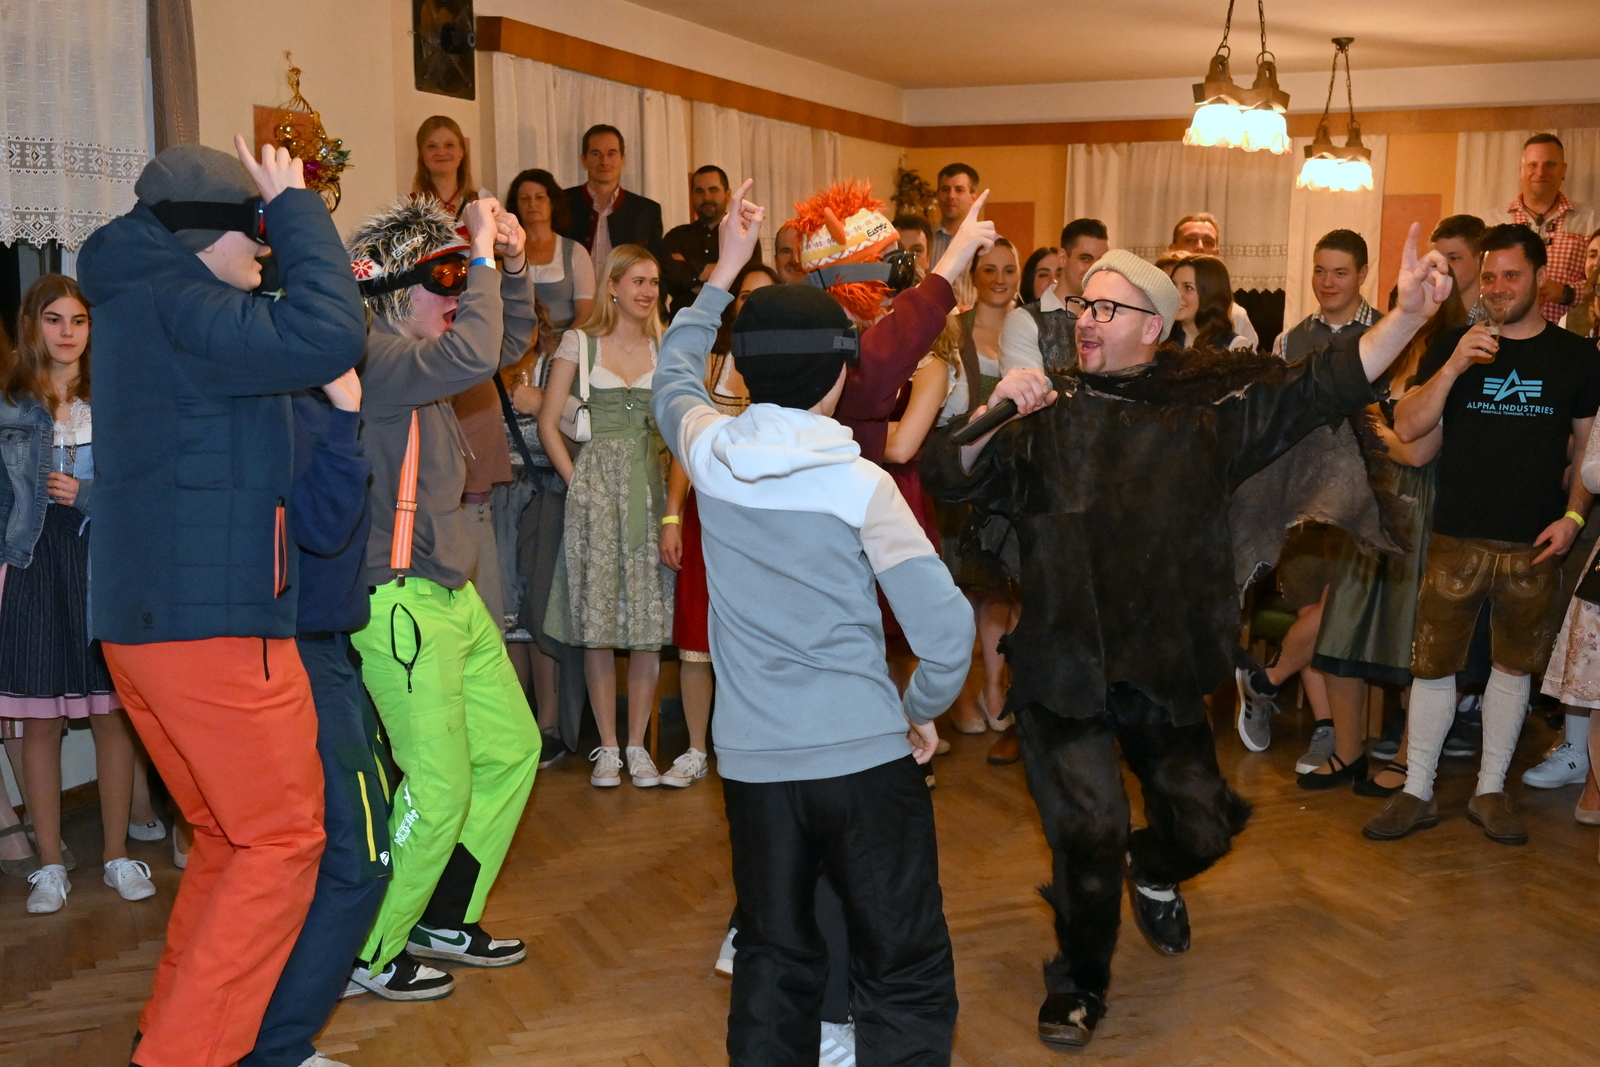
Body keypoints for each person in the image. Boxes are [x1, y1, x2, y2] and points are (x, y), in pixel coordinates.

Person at [923, 230, 1451, 1047]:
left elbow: (1321, 385)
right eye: (1083, 304)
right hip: (1063, 671)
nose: (1085, 319)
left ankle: (1154, 868)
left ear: (1153, 327)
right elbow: (947, 474)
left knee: (1205, 827)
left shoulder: (1208, 420)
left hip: (1161, 668)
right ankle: (1080, 982)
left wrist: (1408, 316)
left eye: (1107, 308)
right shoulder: (1049, 414)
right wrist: (998, 415)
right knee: (1089, 831)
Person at [654, 178, 975, 1067]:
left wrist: (723, 270)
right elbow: (947, 635)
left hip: (754, 767)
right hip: (866, 759)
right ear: (841, 376)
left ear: (744, 372)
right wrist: (919, 709)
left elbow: (672, 378)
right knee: (901, 961)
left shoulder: (710, 455)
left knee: (774, 953)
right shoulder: (860, 484)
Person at [77, 138, 366, 1067]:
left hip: (155, 625)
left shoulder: (144, 301)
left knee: (229, 841)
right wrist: (299, 206)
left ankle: (175, 1040)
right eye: (256, 227)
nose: (267, 247)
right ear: (205, 235)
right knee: (281, 841)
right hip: (214, 627)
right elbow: (331, 332)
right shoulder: (186, 305)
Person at [345, 195, 541, 995]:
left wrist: (511, 266)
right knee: (437, 785)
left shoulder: (423, 352)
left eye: (462, 277)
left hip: (450, 594)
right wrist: (485, 254)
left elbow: (505, 341)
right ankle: (368, 947)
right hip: (398, 604)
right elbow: (477, 350)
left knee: (512, 750)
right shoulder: (378, 357)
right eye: (444, 280)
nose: (458, 293)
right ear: (395, 291)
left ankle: (441, 913)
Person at [1374, 223, 1600, 846]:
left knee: (1513, 667)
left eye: (1512, 276)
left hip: (1535, 542)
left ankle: (1490, 790)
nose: (1498, 287)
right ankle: (1417, 791)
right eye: (1491, 276)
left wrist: (1574, 518)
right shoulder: (1456, 344)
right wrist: (1453, 365)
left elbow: (1588, 452)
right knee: (1432, 665)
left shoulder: (1576, 357)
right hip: (1455, 534)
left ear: (1540, 278)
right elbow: (1409, 427)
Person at [243, 368, 394, 1067]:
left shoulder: (287, 407)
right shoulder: (298, 415)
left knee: (319, 855)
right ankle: (274, 1045)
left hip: (319, 648)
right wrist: (345, 412)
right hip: (301, 652)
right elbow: (326, 527)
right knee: (358, 859)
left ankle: (259, 1035)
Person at [0, 274, 155, 915]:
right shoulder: (10, 404)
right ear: (32, 325)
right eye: (54, 319)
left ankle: (117, 854)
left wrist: (86, 494)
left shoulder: (115, 397)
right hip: (33, 565)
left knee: (112, 714)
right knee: (40, 720)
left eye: (79, 320)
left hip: (102, 562)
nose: (68, 332)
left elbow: (146, 488)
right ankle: (50, 864)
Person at [1235, 230, 1385, 776]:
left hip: (1366, 501)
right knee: (1309, 610)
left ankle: (1265, 679)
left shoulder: (1388, 333)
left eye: (1340, 272)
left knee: (1339, 611)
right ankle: (1328, 729)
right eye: (1320, 270)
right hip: (1303, 500)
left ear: (1363, 274)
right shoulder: (1288, 340)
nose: (1327, 282)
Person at [537, 245, 677, 790]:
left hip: (651, 490)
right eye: (637, 280)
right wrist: (579, 483)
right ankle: (609, 747)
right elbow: (549, 421)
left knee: (646, 623)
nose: (648, 291)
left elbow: (679, 429)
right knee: (597, 625)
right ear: (612, 286)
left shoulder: (666, 346)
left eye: (654, 282)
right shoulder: (580, 342)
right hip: (596, 493)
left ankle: (638, 746)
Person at [663, 262, 773, 789]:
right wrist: (671, 515)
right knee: (695, 637)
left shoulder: (788, 369)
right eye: (746, 295)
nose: (753, 305)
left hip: (765, 522)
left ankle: (756, 742)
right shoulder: (709, 364)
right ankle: (694, 748)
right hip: (705, 515)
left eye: (764, 296)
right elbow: (684, 448)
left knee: (760, 637)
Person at [943, 241, 1024, 753]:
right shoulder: (955, 329)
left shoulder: (1029, 326)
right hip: (964, 473)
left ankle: (995, 687)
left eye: (1009, 269)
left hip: (1013, 478)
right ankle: (956, 694)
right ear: (973, 275)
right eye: (989, 269)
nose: (999, 278)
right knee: (958, 590)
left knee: (1001, 589)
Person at [1493, 133, 1597, 324]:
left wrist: (1566, 293)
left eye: (1550, 164)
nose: (1540, 172)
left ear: (1563, 170)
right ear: (1521, 171)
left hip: (1568, 335)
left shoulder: (1590, 221)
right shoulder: (1494, 221)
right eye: (1533, 165)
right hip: (1506, 332)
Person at [999, 218, 1107, 373]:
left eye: (1101, 261)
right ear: (1062, 258)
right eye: (1085, 259)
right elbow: (1026, 384)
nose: (1094, 268)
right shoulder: (1024, 320)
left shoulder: (1111, 317)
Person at [560, 124, 664, 277]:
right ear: (584, 159)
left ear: (623, 159)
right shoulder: (561, 203)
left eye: (611, 153)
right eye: (596, 154)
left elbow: (656, 270)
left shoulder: (647, 211)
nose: (604, 161)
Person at [662, 165, 762, 318]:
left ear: (728, 195)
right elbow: (668, 277)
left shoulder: (743, 236)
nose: (707, 197)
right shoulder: (676, 236)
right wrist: (726, 270)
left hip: (731, 324)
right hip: (683, 325)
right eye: (699, 191)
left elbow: (746, 282)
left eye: (713, 190)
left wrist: (689, 274)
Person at [507, 167, 594, 331]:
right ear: (516, 205)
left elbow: (585, 313)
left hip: (565, 340)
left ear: (553, 203)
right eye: (525, 198)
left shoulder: (575, 251)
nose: (532, 204)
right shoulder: (505, 251)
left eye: (539, 197)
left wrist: (566, 345)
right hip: (517, 342)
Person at [1167, 213, 1260, 348]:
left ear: (1216, 252)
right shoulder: (1160, 329)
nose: (1199, 247)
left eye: (1208, 242)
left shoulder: (1236, 318)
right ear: (1173, 248)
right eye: (1190, 240)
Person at [1170, 255, 1252, 351]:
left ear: (1210, 294)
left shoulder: (1234, 345)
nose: (1176, 294)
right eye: (1173, 285)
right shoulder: (1160, 338)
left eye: (1188, 287)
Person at [411, 115, 477, 218]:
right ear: (422, 154)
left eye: (449, 145)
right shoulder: (409, 207)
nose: (441, 152)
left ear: (461, 151)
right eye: (431, 146)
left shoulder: (481, 201)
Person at [929, 163, 979, 264]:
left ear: (973, 198)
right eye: (945, 189)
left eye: (959, 190)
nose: (951, 196)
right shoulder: (925, 242)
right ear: (937, 195)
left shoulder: (989, 244)